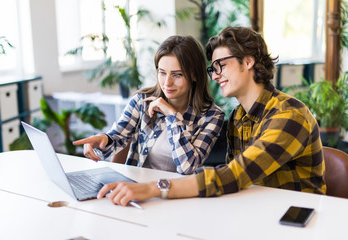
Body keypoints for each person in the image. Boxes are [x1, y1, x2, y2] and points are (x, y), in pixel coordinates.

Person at [94, 26, 326, 206]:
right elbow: (234, 182)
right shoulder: (238, 117)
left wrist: (154, 188)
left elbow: (236, 174)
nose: (215, 76)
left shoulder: (289, 114)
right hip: (254, 211)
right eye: (212, 69)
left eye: (221, 66)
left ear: (248, 61)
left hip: (294, 220)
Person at [73, 35, 225, 175]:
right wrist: (103, 139)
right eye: (162, 72)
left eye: (177, 74)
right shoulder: (142, 101)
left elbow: (188, 167)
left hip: (179, 195)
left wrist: (172, 116)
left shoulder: (211, 116)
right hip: (138, 189)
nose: (167, 83)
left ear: (194, 75)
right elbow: (117, 137)